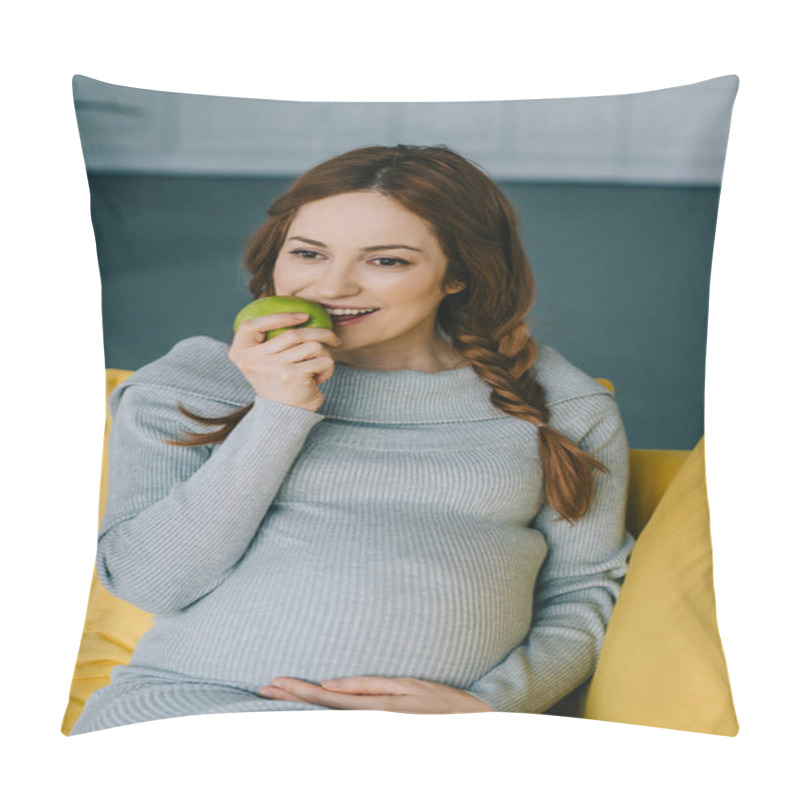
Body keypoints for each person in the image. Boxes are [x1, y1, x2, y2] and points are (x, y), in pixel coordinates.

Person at [70, 144, 635, 735]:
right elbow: (150, 583)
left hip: (426, 746)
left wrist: (492, 708)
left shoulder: (558, 402)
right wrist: (279, 411)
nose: (331, 286)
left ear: (460, 274)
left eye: (386, 261)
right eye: (308, 253)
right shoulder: (193, 382)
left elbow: (583, 590)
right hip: (189, 714)